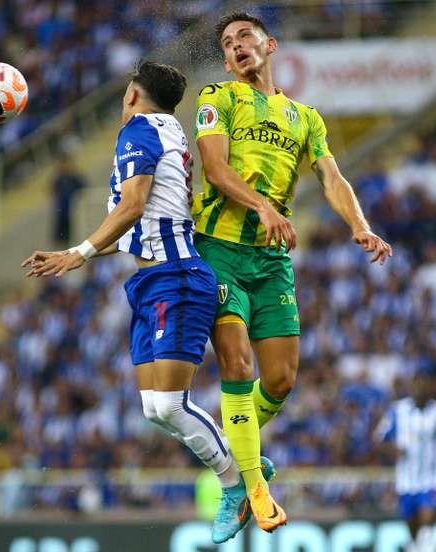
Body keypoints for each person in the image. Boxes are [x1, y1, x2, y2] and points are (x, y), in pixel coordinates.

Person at [22, 61, 270, 544]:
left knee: (171, 405)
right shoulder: (167, 129)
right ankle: (239, 468)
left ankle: (239, 479)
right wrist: (76, 253)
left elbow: (133, 206)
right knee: (155, 409)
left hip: (175, 278)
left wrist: (78, 253)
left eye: (123, 94)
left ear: (133, 95)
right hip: (153, 281)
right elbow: (139, 218)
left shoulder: (137, 130)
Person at [192, 10, 393, 530]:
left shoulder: (305, 117)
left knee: (280, 379)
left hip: (271, 259)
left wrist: (360, 226)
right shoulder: (217, 98)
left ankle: (239, 450)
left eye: (245, 37)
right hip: (218, 250)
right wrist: (262, 205)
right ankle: (252, 490)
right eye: (228, 42)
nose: (236, 46)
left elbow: (332, 177)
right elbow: (214, 168)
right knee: (236, 365)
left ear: (270, 44)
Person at [374, 372, 436, 552]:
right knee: (412, 525)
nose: (420, 389)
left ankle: (425, 545)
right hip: (407, 479)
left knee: (428, 518)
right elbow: (378, 439)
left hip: (433, 476)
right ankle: (415, 546)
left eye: (424, 385)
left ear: (430, 388)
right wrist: (394, 449)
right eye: (417, 385)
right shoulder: (397, 411)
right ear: (411, 387)